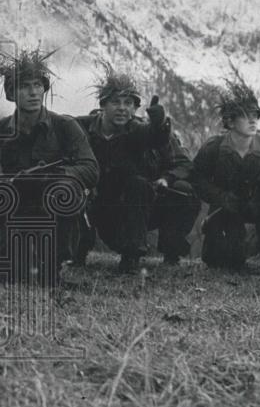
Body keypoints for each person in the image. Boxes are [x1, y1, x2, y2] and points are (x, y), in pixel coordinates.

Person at [0, 50, 98, 285]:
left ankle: (53, 263)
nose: (34, 92)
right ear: (12, 94)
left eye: (38, 85)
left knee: (65, 191)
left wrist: (55, 176)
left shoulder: (65, 126)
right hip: (13, 210)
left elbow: (90, 169)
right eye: (25, 86)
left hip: (54, 209)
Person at [72, 72, 197, 272]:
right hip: (96, 205)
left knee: (182, 191)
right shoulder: (82, 129)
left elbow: (182, 163)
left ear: (136, 108)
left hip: (138, 207)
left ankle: (141, 255)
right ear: (103, 105)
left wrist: (166, 178)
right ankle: (76, 252)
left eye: (129, 103)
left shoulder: (144, 131)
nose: (122, 108)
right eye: (115, 102)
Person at [191, 80, 260, 276]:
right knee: (224, 263)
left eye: (255, 115)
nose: (253, 120)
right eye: (246, 116)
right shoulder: (213, 147)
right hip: (226, 206)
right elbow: (197, 178)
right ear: (230, 122)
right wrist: (221, 197)